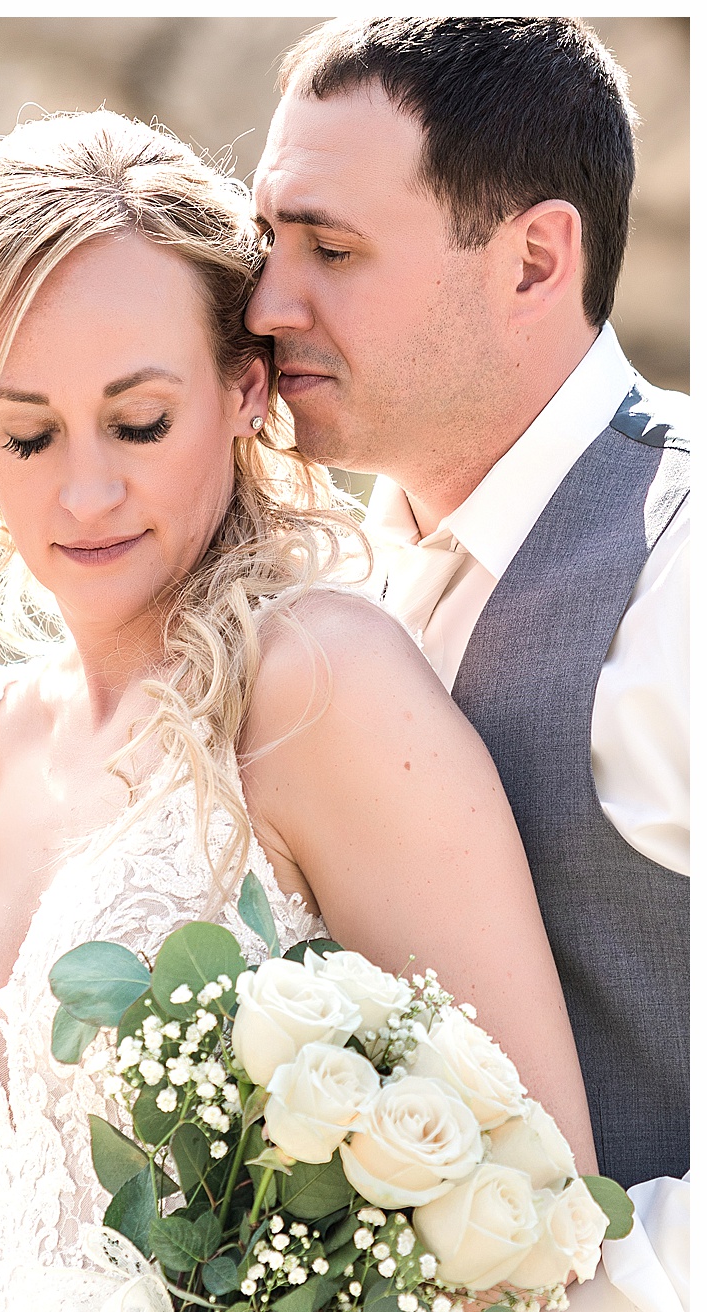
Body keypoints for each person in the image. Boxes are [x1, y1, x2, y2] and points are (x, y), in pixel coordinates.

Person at [0, 109, 595, 1312]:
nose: (86, 490)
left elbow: (542, 1213)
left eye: (140, 421)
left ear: (244, 389)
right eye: (29, 433)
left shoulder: (317, 683)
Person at [247, 16, 687, 1197]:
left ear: (534, 262)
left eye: (330, 250)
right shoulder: (317, 593)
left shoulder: (685, 566)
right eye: (264, 241)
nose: (267, 303)